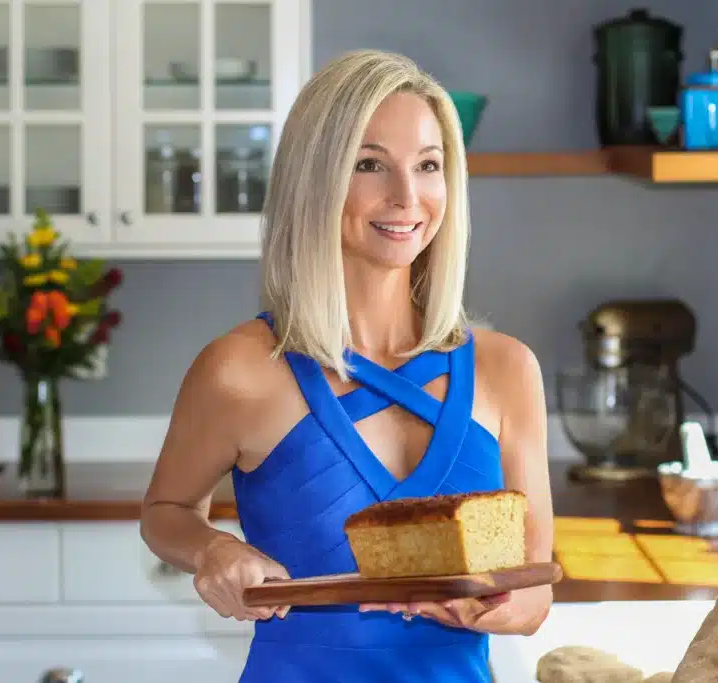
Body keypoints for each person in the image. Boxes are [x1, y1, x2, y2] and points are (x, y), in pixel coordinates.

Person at [139, 48, 554, 683]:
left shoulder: (508, 370)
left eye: (428, 166)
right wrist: (215, 550)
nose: (406, 196)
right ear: (317, 179)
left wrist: (498, 606)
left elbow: (535, 588)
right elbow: (166, 511)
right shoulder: (239, 369)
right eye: (369, 165)